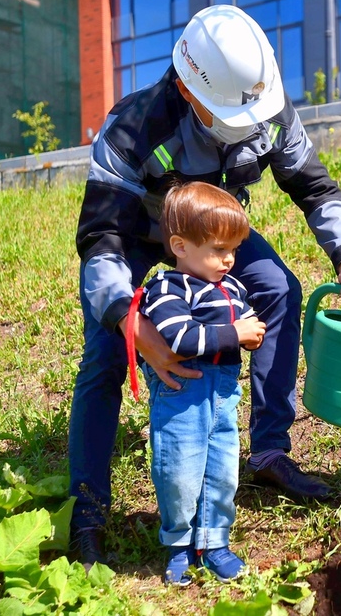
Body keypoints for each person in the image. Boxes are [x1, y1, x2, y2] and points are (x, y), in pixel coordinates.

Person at [69, 3, 341, 568]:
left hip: (213, 239)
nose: (249, 129)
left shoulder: (269, 108)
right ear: (190, 91)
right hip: (137, 239)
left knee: (279, 289)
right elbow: (101, 240)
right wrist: (132, 322)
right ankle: (87, 513)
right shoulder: (133, 128)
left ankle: (268, 451)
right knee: (105, 354)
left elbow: (314, 187)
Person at [136, 181, 264, 586]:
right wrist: (238, 333)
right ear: (180, 246)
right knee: (180, 469)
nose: (228, 260)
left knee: (222, 470)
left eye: (233, 250)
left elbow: (245, 325)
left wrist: (250, 331)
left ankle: (213, 542)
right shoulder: (167, 287)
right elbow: (181, 339)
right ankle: (179, 543)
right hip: (183, 395)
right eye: (218, 250)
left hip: (224, 393)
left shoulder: (232, 288)